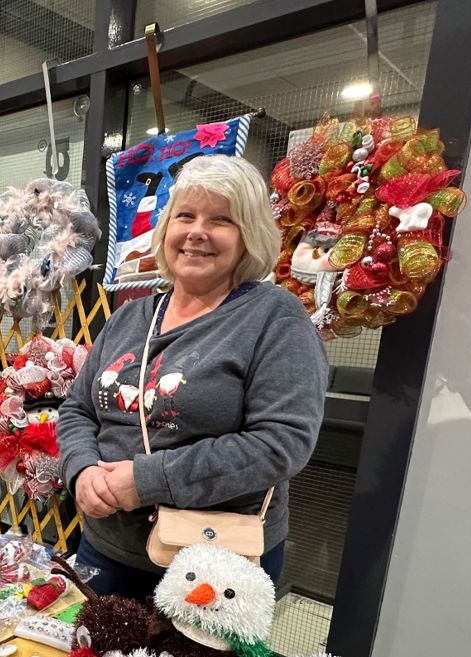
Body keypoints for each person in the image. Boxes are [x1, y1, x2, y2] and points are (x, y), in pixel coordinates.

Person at [57, 154, 328, 601]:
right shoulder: (130, 317)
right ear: (166, 230)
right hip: (106, 549)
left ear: (248, 237)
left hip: (212, 561)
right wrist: (81, 469)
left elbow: (281, 443)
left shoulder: (274, 319)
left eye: (221, 220)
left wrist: (145, 479)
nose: (197, 232)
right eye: (185, 216)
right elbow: (78, 409)